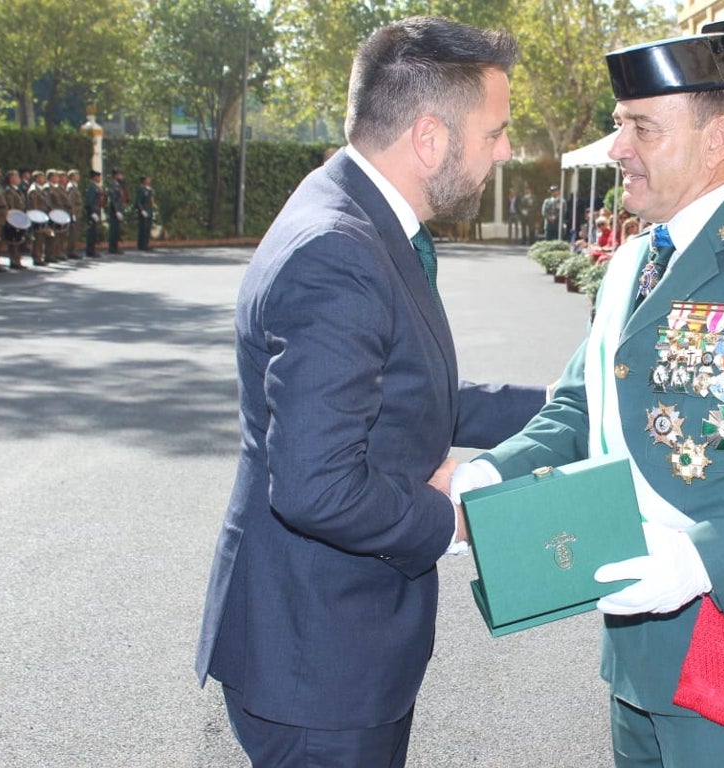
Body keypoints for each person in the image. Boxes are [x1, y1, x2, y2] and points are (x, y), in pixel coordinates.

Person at [453, 19, 724, 767]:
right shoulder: (632, 260)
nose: (619, 148)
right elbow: (584, 401)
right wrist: (498, 471)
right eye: (620, 126)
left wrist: (701, 560)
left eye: (641, 129)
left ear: (717, 138)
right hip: (637, 642)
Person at [194, 18, 546, 767]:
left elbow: (408, 393)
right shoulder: (339, 250)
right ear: (429, 137)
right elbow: (316, 487)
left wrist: (570, 408)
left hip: (334, 646)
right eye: (495, 132)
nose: (506, 150)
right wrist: (454, 519)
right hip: (318, 665)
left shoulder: (355, 214)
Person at [1, 169, 27, 269]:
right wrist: (13, 218)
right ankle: (14, 260)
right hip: (14, 217)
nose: (19, 179)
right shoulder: (9, 191)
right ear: (11, 179)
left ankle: (17, 259)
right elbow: (11, 205)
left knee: (19, 239)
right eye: (16, 177)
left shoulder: (17, 190)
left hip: (20, 217)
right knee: (14, 240)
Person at [105, 168, 126, 253]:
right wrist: (117, 211)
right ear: (116, 175)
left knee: (116, 229)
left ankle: (115, 246)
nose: (122, 177)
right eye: (120, 175)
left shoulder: (118, 185)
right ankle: (112, 248)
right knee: (113, 230)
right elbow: (113, 199)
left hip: (118, 210)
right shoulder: (112, 185)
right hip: (114, 211)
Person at [84, 170, 103, 258]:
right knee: (91, 232)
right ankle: (90, 251)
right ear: (94, 177)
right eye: (98, 177)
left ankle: (93, 250)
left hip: (96, 211)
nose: (99, 179)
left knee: (94, 232)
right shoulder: (92, 187)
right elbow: (89, 201)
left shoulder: (96, 187)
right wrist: (92, 213)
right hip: (92, 212)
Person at [66, 170, 83, 258]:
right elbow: (71, 202)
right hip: (74, 213)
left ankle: (73, 250)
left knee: (75, 233)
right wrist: (72, 213)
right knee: (73, 233)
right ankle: (71, 251)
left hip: (77, 212)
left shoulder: (74, 186)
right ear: (72, 177)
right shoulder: (71, 187)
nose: (78, 177)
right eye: (76, 175)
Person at [134, 175, 154, 251]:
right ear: (144, 181)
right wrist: (142, 210)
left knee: (147, 229)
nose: (149, 180)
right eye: (148, 179)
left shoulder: (149, 190)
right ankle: (141, 245)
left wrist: (153, 210)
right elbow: (138, 201)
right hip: (144, 211)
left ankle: (146, 244)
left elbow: (151, 201)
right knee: (143, 229)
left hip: (149, 211)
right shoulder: (141, 189)